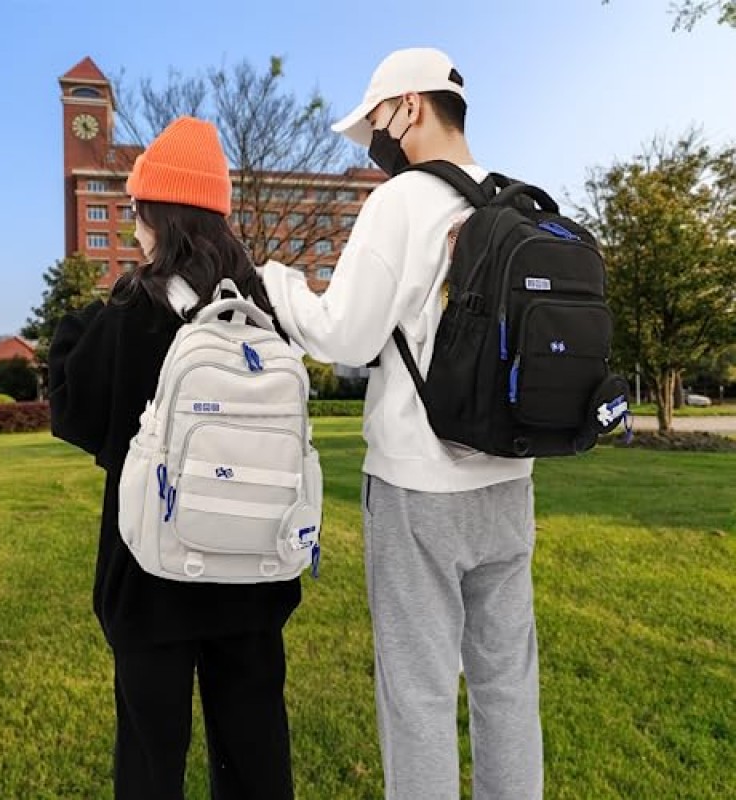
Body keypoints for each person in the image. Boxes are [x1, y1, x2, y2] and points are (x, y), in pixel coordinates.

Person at [261, 48, 542, 800]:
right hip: (511, 480)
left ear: (409, 107)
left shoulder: (402, 202)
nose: (376, 139)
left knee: (417, 692)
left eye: (377, 120)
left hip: (420, 485)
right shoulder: (515, 202)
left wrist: (279, 284)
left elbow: (345, 336)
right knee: (507, 685)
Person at [49, 117, 299, 800]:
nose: (130, 225)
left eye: (134, 210)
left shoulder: (136, 305)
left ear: (157, 212)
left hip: (152, 568)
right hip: (253, 569)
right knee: (255, 752)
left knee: (152, 760)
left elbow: (74, 410)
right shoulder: (259, 309)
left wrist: (79, 323)